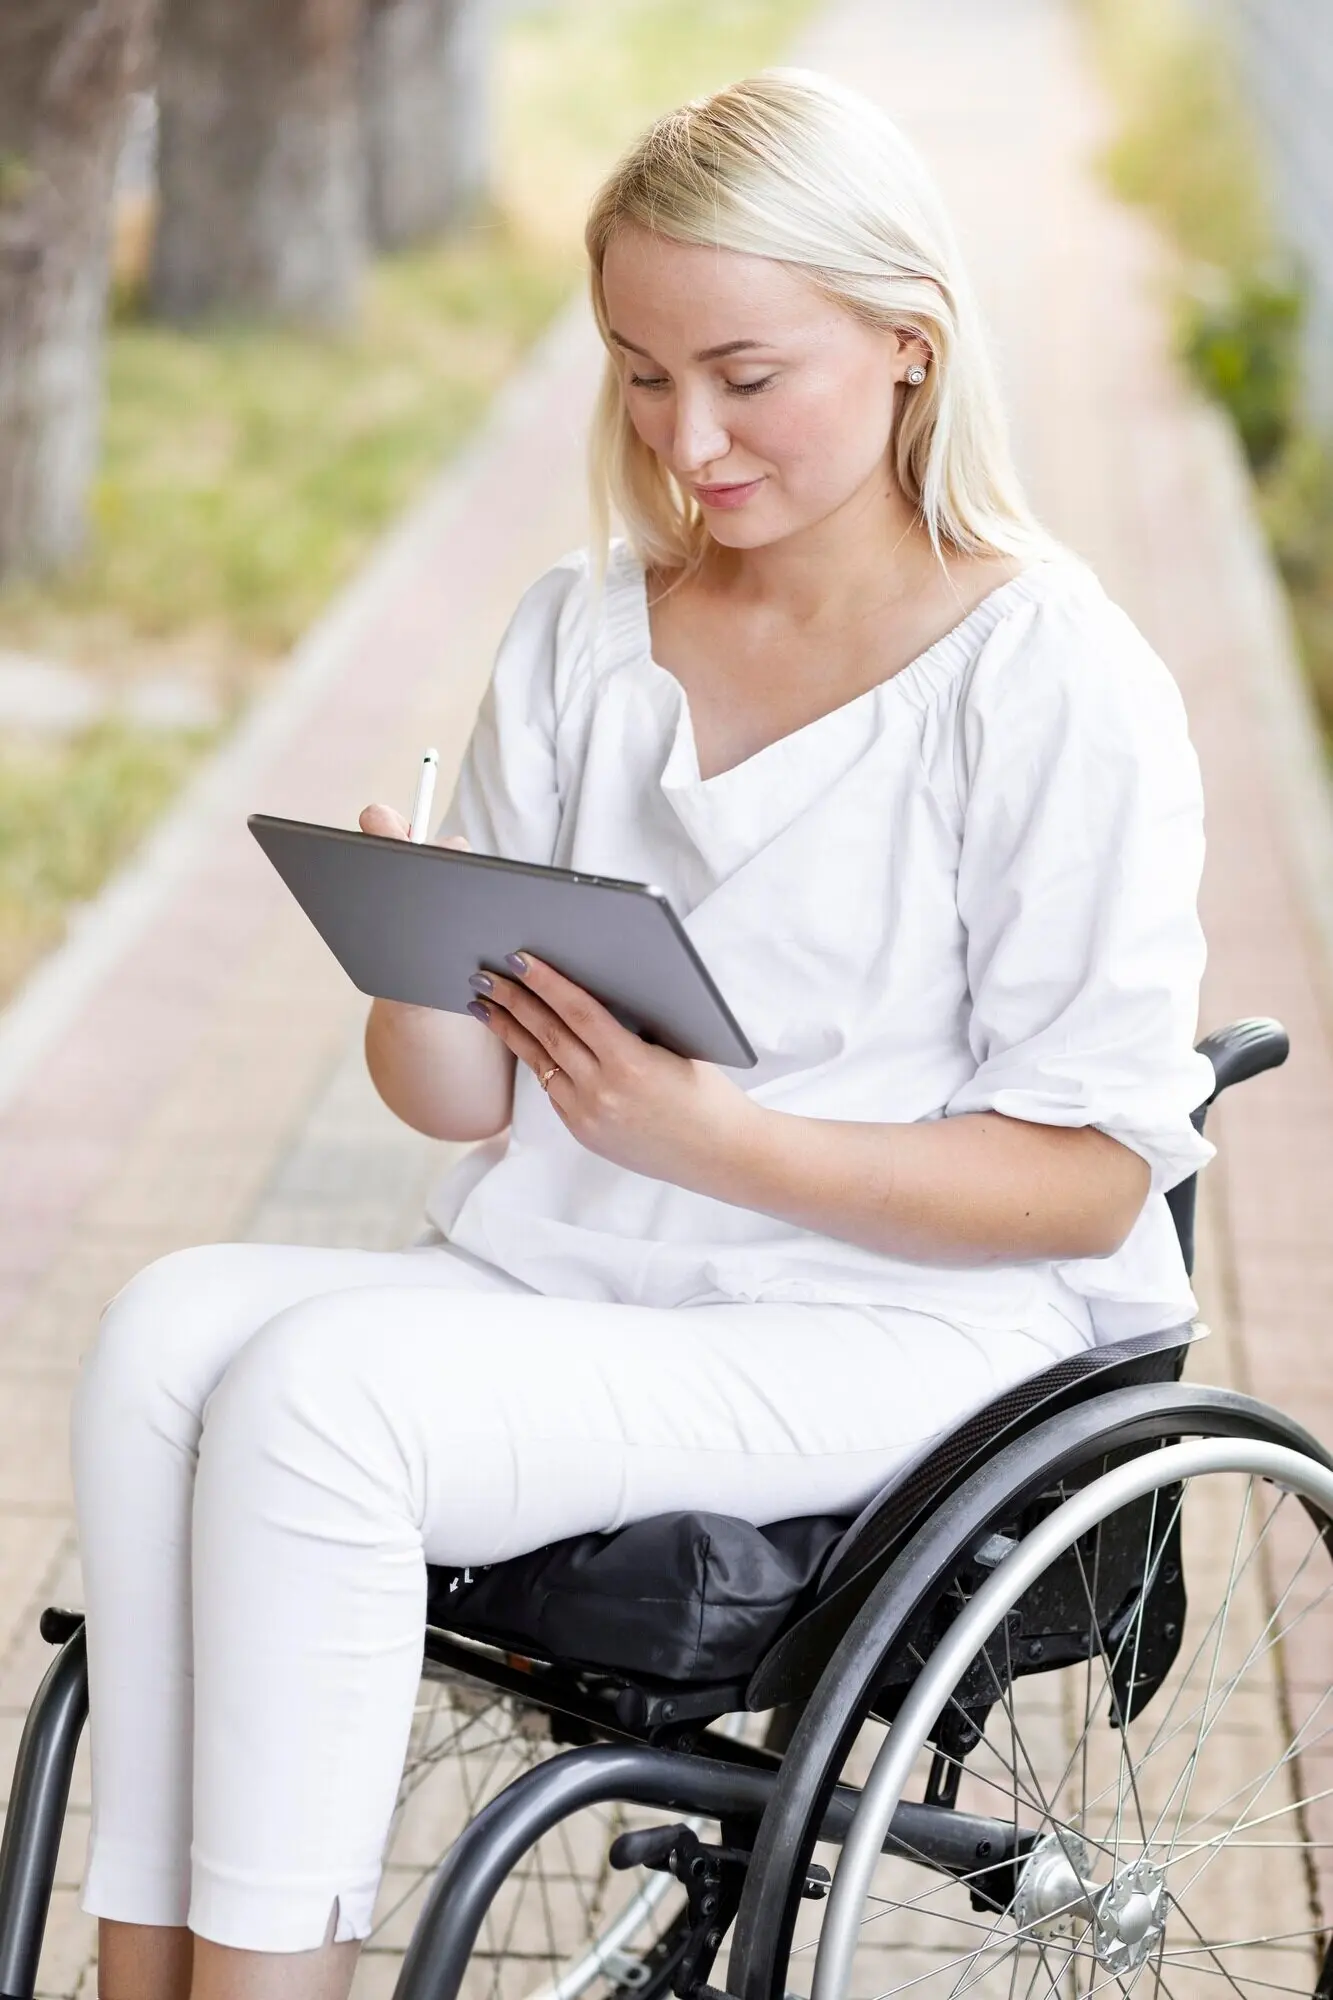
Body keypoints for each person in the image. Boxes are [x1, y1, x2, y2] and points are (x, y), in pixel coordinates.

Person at [70, 67, 1214, 2000]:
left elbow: (1093, 1171)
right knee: (166, 1332)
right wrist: (415, 967)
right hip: (590, 1273)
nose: (689, 435)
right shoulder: (588, 635)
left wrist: (710, 1142)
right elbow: (459, 1108)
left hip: (895, 1324)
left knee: (322, 1404)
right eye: (639, 372)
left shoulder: (1049, 677)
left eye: (746, 373)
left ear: (907, 346)